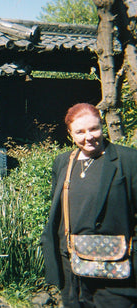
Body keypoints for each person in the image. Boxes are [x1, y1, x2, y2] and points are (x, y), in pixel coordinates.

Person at [41, 103, 137, 307]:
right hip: (73, 270)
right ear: (70, 134)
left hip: (115, 270)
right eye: (80, 131)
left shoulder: (128, 160)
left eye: (94, 128)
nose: (89, 136)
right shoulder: (63, 163)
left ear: (101, 126)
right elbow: (58, 214)